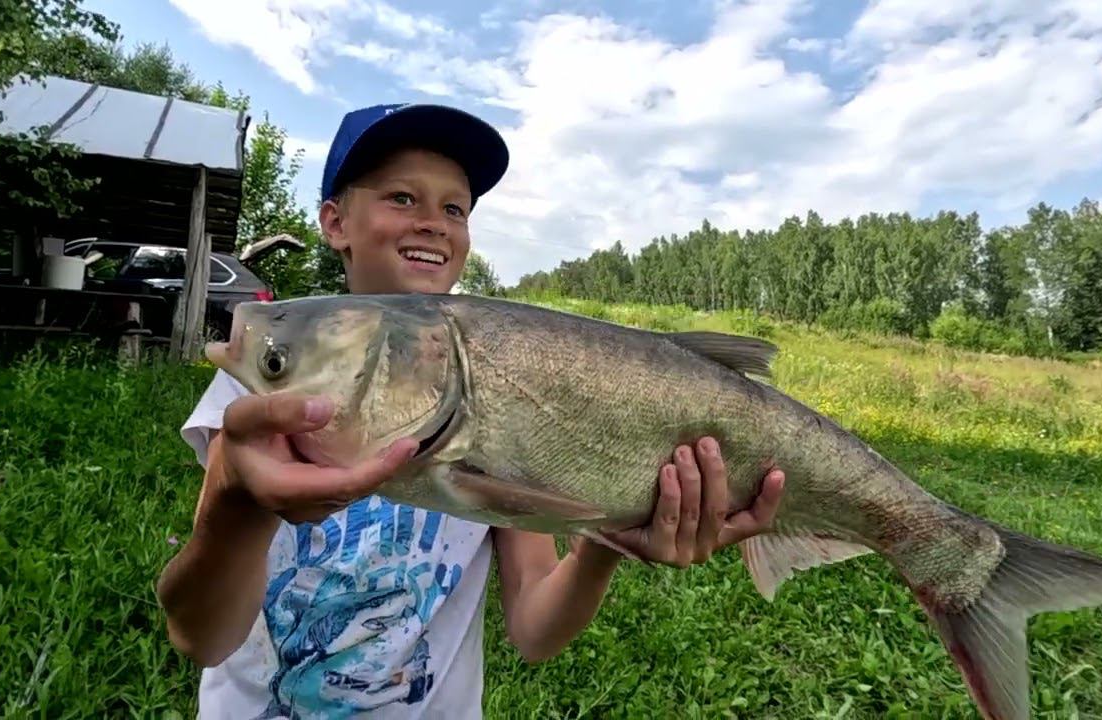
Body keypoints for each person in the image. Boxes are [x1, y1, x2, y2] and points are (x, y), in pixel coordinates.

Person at [156, 102, 786, 719]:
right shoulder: (262, 391)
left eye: (454, 207)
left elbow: (535, 630)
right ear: (335, 222)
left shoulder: (497, 384)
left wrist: (604, 544)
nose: (433, 221)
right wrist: (236, 505)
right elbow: (201, 639)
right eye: (402, 197)